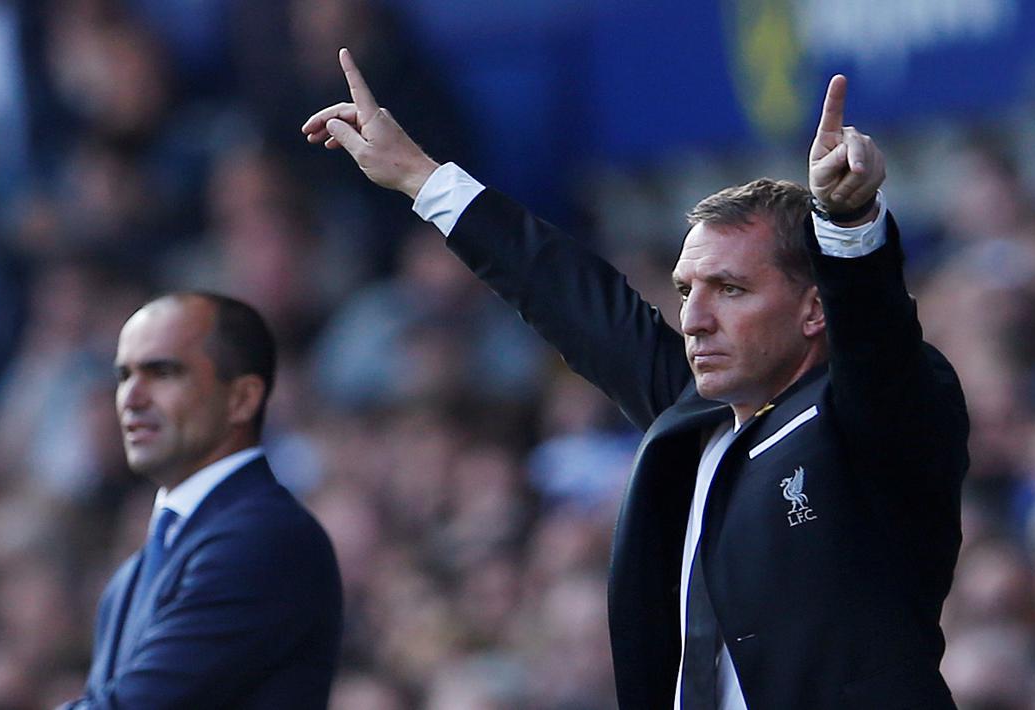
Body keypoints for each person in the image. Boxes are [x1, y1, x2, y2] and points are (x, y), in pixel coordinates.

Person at [302, 50, 968, 708]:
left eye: (730, 289)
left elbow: (878, 344)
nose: (695, 319)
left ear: (813, 309)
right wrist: (421, 177)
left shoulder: (876, 418)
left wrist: (848, 228)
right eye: (685, 291)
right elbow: (573, 298)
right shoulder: (693, 416)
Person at [63, 292, 342, 708]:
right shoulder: (131, 576)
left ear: (242, 398)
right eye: (123, 376)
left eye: (162, 373)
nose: (131, 399)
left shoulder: (264, 540)